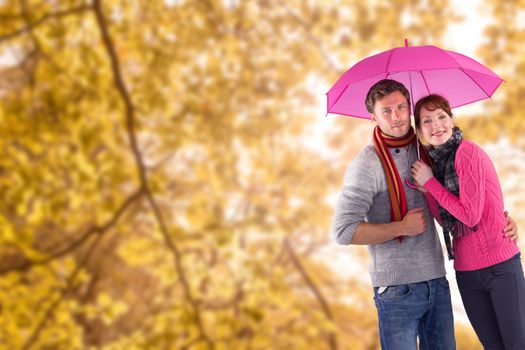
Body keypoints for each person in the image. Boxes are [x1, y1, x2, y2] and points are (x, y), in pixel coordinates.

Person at [331, 79, 518, 350]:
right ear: (373, 117)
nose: (396, 117)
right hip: (397, 289)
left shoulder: (430, 152)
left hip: (437, 281)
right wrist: (400, 228)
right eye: (386, 111)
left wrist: (501, 220)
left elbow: (462, 207)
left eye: (401, 107)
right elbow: (342, 230)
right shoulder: (367, 164)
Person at [411, 94, 525, 349]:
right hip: (466, 272)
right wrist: (429, 191)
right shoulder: (436, 166)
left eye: (442, 116)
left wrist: (431, 184)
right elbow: (447, 222)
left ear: (452, 120)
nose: (436, 125)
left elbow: (470, 216)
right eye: (427, 121)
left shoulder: (467, 152)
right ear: (419, 131)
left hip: (500, 266)